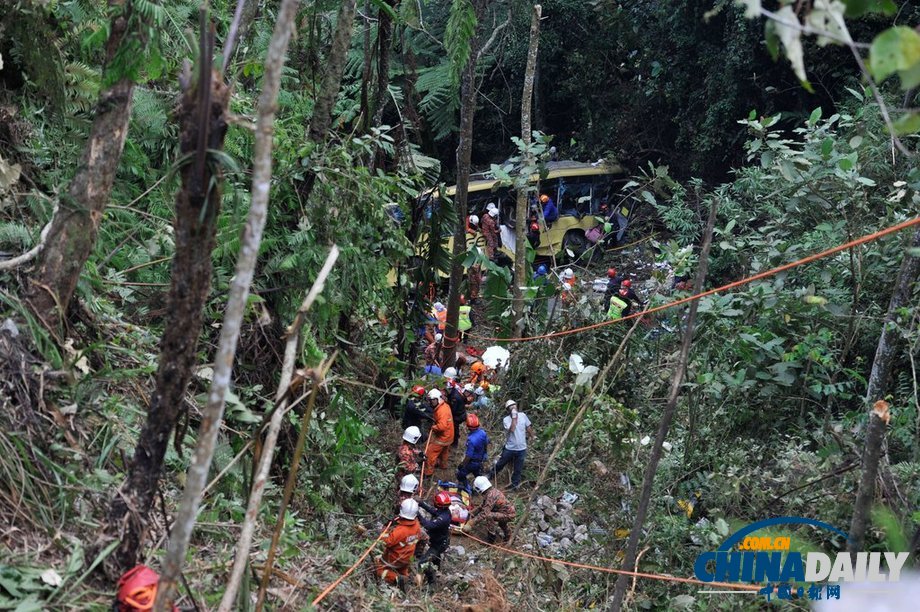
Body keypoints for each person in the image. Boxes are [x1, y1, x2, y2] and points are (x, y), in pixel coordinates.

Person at [376, 499, 427, 588]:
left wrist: (385, 529)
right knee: (403, 568)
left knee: (379, 570)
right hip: (407, 559)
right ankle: (405, 576)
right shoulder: (417, 525)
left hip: (394, 559)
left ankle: (397, 578)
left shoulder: (400, 531)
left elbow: (387, 542)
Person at [490, 399, 531, 490]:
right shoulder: (506, 420)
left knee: (518, 468)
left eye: (514, 405)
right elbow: (512, 429)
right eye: (510, 407)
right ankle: (491, 475)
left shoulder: (523, 415)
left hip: (521, 448)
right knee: (501, 463)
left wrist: (532, 436)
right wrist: (514, 417)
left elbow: (528, 426)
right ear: (508, 410)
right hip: (510, 448)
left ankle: (514, 485)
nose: (513, 408)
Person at [417, 491, 453, 583]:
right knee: (434, 557)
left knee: (422, 563)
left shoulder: (443, 518)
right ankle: (437, 570)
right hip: (439, 540)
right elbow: (433, 510)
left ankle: (431, 580)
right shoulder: (444, 510)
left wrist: (417, 514)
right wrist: (421, 503)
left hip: (439, 544)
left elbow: (428, 525)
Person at [468, 476, 516, 543]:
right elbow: (483, 506)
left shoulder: (491, 496)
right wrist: (472, 513)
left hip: (508, 514)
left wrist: (472, 522)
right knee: (502, 524)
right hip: (506, 512)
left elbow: (485, 513)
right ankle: (509, 538)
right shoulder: (491, 492)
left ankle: (491, 539)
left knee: (489, 516)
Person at [424, 389, 454, 477]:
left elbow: (442, 426)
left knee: (430, 453)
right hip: (449, 435)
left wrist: (433, 427)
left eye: (432, 400)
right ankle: (443, 465)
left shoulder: (442, 411)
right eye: (430, 401)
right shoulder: (444, 406)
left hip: (443, 437)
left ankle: (428, 472)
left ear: (437, 399)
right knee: (444, 451)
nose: (430, 403)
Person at [457, 413, 488, 487]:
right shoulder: (483, 433)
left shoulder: (471, 440)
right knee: (478, 476)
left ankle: (468, 489)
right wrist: (485, 453)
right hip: (480, 460)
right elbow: (486, 444)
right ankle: (481, 488)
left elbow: (468, 456)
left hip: (472, 462)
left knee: (460, 475)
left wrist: (462, 465)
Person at [446, 380, 468, 449]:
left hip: (459, 415)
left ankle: (454, 443)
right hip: (460, 412)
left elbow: (453, 410)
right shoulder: (455, 391)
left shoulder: (454, 397)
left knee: (454, 427)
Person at [467, 215, 483, 302]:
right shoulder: (468, 229)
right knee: (474, 284)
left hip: (476, 256)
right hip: (471, 258)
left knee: (476, 283)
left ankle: (474, 296)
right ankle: (473, 298)